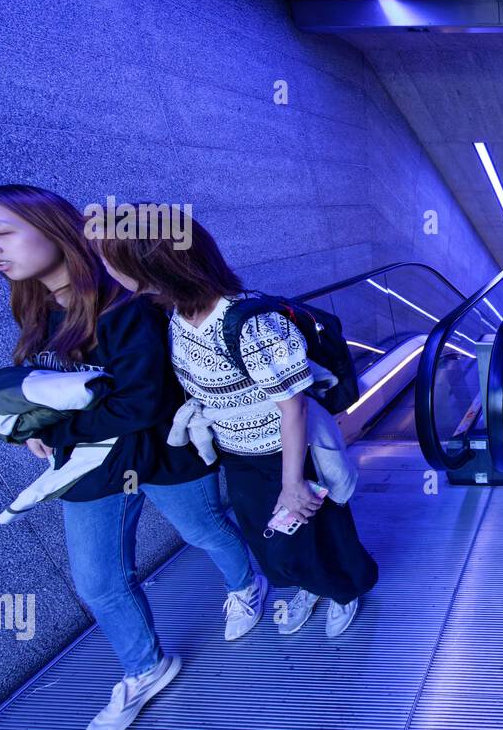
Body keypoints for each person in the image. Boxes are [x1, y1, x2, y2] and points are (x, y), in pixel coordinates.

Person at [0, 185, 267, 730]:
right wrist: (30, 422)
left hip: (161, 448)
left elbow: (141, 403)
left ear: (52, 226)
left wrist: (51, 428)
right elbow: (55, 386)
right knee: (97, 581)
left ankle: (246, 584)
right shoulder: (33, 302)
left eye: (2, 232)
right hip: (93, 462)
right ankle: (144, 667)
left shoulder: (122, 299)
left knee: (202, 529)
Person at [95, 215, 378, 640]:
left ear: (153, 266)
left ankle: (342, 591)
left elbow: (293, 408)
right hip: (237, 449)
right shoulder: (177, 315)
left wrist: (292, 482)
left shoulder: (251, 323)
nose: (106, 269)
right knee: (272, 536)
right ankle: (309, 586)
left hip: (286, 450)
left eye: (112, 260)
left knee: (319, 529)